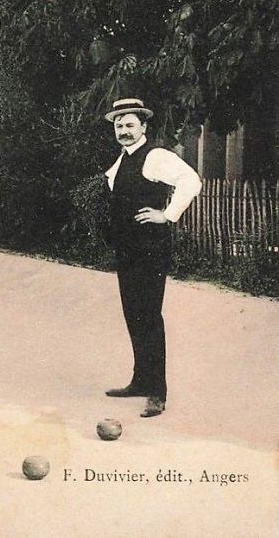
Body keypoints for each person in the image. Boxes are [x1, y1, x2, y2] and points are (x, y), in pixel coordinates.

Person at [103, 97, 201, 418]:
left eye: (130, 124)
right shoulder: (122, 160)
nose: (124, 130)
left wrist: (167, 214)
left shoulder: (156, 156)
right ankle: (141, 380)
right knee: (134, 314)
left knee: (149, 316)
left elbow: (191, 181)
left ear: (144, 126)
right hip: (127, 248)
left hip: (150, 248)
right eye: (119, 125)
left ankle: (157, 392)